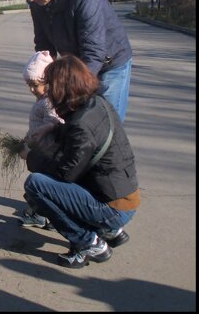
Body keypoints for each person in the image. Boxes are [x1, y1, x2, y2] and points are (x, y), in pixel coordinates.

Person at [22, 55, 140, 268]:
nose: (48, 91)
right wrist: (53, 128)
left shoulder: (81, 125)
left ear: (62, 88)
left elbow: (66, 173)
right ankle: (106, 230)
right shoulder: (97, 103)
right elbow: (80, 148)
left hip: (113, 207)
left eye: (50, 85)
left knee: (36, 185)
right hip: (123, 194)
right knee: (52, 184)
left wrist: (31, 157)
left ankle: (88, 242)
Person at [12, 0, 134, 120]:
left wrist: (71, 90)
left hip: (109, 63)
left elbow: (93, 52)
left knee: (105, 124)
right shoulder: (37, 3)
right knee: (74, 121)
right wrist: (47, 81)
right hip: (78, 63)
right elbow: (44, 45)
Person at [16, 50, 65, 227]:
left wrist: (37, 136)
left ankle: (44, 215)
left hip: (47, 152)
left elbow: (55, 122)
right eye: (28, 85)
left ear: (47, 82)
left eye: (34, 85)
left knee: (43, 185)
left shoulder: (49, 102)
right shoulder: (43, 99)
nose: (31, 89)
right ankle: (47, 215)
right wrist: (29, 136)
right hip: (40, 148)